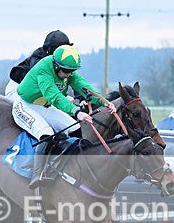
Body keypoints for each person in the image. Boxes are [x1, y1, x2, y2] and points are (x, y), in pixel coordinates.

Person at [13, 44, 115, 188]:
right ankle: (37, 174)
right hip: (25, 105)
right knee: (46, 134)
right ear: (56, 65)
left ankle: (71, 167)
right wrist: (76, 112)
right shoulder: (44, 69)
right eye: (66, 70)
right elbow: (54, 96)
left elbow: (84, 86)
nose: (69, 74)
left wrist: (104, 102)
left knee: (74, 130)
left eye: (72, 71)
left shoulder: (68, 72)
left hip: (44, 106)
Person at [5, 30, 73, 101]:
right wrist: (64, 96)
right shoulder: (38, 58)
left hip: (35, 91)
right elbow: (44, 80)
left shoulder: (63, 60)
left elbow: (73, 76)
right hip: (17, 89)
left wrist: (81, 98)